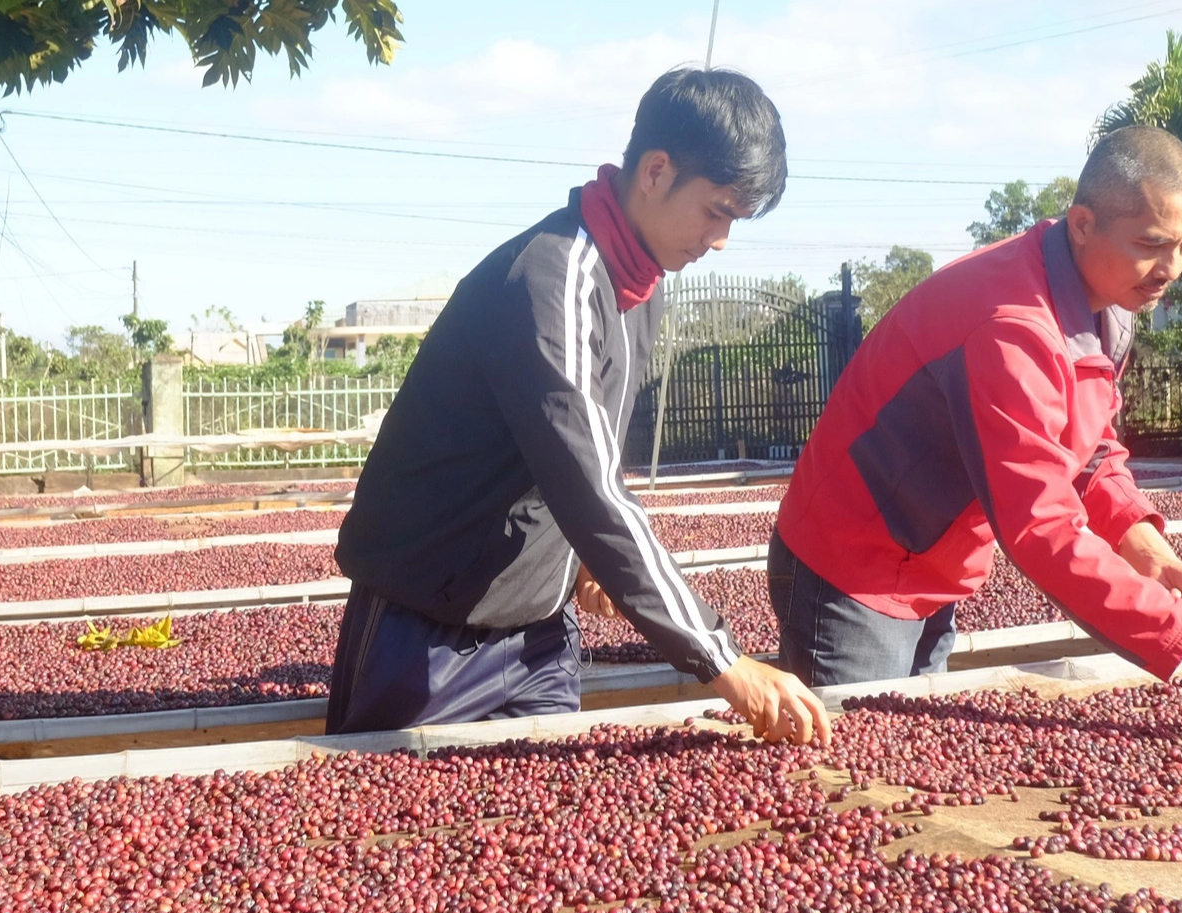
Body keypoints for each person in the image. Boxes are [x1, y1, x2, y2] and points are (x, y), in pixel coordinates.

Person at [331, 67, 830, 746]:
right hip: (426, 637)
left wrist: (584, 561)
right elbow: (586, 481)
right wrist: (721, 659)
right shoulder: (549, 280)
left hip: (537, 641)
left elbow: (586, 454)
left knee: (544, 843)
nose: (720, 241)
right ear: (655, 171)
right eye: (716, 211)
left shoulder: (640, 284)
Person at [769, 126, 1182, 714]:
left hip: (934, 563)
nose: (1171, 268)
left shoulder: (1109, 302)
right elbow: (1042, 527)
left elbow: (1089, 447)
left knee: (904, 739)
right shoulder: (1012, 326)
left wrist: (1145, 546)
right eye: (1152, 243)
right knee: (856, 763)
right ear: (1083, 224)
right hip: (855, 569)